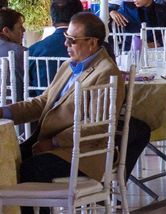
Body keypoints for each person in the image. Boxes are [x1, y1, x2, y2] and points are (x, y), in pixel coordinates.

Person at [3, 13, 125, 208]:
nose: (66, 44)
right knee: (7, 160)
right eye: (66, 38)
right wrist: (5, 112)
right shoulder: (69, 65)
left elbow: (96, 128)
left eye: (72, 40)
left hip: (83, 153)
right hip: (53, 144)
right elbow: (43, 102)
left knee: (30, 168)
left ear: (92, 43)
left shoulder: (106, 73)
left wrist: (53, 142)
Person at [28, 0, 85, 94]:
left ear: (53, 20)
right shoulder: (91, 47)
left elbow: (28, 88)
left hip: (41, 106)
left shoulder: (34, 50)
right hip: (79, 105)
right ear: (80, 17)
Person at [0, 8, 26, 101]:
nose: (24, 30)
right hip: (14, 109)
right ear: (6, 31)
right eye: (20, 27)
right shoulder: (20, 52)